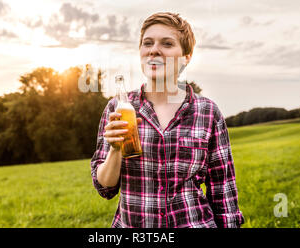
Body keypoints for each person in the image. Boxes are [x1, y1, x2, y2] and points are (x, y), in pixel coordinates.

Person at [91, 12, 245, 228]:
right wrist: (115, 150)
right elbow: (105, 188)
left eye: (167, 43)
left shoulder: (207, 112)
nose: (154, 49)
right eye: (148, 43)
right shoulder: (118, 109)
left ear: (186, 57)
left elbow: (223, 190)